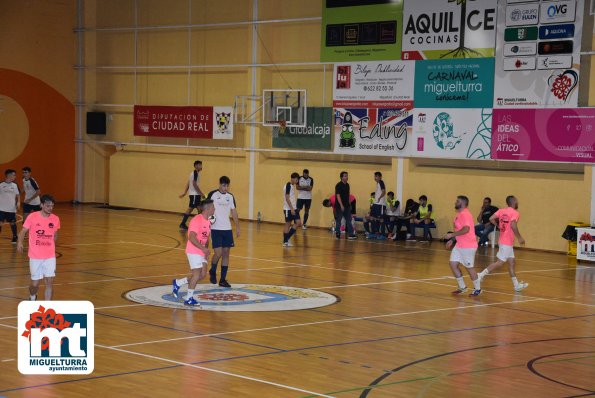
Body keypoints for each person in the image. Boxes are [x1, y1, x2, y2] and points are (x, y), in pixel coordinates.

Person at [478, 195, 528, 292]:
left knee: (511, 263)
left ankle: (516, 285)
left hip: (504, 241)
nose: (517, 202)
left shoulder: (501, 211)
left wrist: (498, 226)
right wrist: (520, 237)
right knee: (500, 263)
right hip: (506, 242)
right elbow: (513, 225)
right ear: (513, 202)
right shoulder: (515, 213)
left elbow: (491, 218)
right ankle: (481, 274)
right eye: (516, 201)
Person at [171, 199, 215, 306]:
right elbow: (191, 237)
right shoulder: (196, 220)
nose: (214, 209)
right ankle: (189, 299)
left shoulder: (208, 221)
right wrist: (203, 248)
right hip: (193, 250)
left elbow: (206, 238)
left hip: (201, 251)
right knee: (196, 274)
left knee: (202, 274)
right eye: (213, 207)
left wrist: (206, 251)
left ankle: (178, 283)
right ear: (208, 209)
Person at [17, 194, 60, 300]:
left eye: (52, 206)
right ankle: (32, 296)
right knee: (35, 284)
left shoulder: (55, 219)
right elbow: (23, 231)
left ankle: (47, 308)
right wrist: (19, 243)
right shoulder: (32, 217)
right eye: (47, 205)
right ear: (41, 205)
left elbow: (55, 234)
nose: (50, 208)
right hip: (35, 256)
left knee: (49, 282)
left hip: (49, 256)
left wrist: (50, 245)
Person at [206, 176, 240, 288]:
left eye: (227, 186)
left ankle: (222, 280)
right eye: (224, 185)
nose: (226, 188)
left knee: (226, 254)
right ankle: (213, 270)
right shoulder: (213, 195)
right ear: (220, 184)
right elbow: (206, 210)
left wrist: (237, 227)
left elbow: (234, 212)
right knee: (218, 253)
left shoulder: (230, 197)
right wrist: (208, 223)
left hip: (227, 229)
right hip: (215, 229)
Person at [444, 195, 481, 297]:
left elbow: (466, 229)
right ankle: (462, 287)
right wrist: (452, 240)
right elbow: (458, 231)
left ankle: (477, 289)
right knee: (453, 264)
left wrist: (451, 235)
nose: (455, 202)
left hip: (468, 246)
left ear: (463, 203)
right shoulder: (457, 215)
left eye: (457, 201)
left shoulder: (466, 214)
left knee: (469, 268)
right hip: (459, 245)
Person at [179, 160, 204, 230]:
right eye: (200, 165)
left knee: (200, 209)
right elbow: (194, 184)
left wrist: (185, 192)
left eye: (201, 165)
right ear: (196, 166)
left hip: (195, 195)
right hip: (194, 195)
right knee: (190, 209)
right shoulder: (195, 173)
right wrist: (201, 193)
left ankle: (200, 224)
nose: (201, 166)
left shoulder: (194, 173)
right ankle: (182, 224)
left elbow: (188, 183)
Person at [334, 171, 357, 240]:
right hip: (339, 206)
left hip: (347, 206)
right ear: (341, 177)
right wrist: (341, 205)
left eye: (347, 176)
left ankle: (351, 234)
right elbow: (338, 196)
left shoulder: (347, 185)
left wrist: (349, 203)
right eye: (345, 176)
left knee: (349, 220)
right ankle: (338, 234)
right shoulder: (338, 185)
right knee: (339, 220)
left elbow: (348, 195)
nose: (346, 177)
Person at [0, 169, 20, 243]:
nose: (15, 176)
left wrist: (18, 202)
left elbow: (18, 195)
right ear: (9, 175)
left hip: (11, 209)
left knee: (12, 223)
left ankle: (15, 236)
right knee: (0, 223)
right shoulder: (1, 185)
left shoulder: (15, 185)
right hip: (1, 208)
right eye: (14, 175)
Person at [283, 172, 302, 247]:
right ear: (293, 178)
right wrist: (291, 209)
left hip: (294, 208)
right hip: (288, 209)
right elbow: (287, 198)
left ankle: (286, 238)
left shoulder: (291, 186)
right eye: (296, 180)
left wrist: (294, 208)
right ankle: (285, 241)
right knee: (288, 224)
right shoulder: (288, 186)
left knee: (298, 222)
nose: (297, 182)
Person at [369, 172, 387, 240]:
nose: (375, 177)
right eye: (375, 176)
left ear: (380, 177)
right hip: (375, 204)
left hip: (380, 204)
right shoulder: (378, 183)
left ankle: (383, 235)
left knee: (381, 219)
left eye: (376, 176)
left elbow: (384, 191)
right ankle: (373, 233)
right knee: (372, 217)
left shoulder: (381, 182)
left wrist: (379, 198)